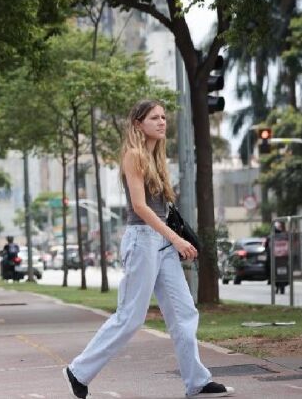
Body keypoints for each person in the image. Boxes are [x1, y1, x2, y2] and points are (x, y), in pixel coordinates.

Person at [62, 100, 234, 398]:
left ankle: (197, 381)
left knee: (183, 312)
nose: (162, 122)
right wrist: (177, 239)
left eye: (164, 117)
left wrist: (173, 238)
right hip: (143, 239)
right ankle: (78, 371)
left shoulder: (157, 158)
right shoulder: (133, 156)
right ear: (138, 123)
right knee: (130, 316)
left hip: (162, 241)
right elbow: (140, 207)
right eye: (154, 117)